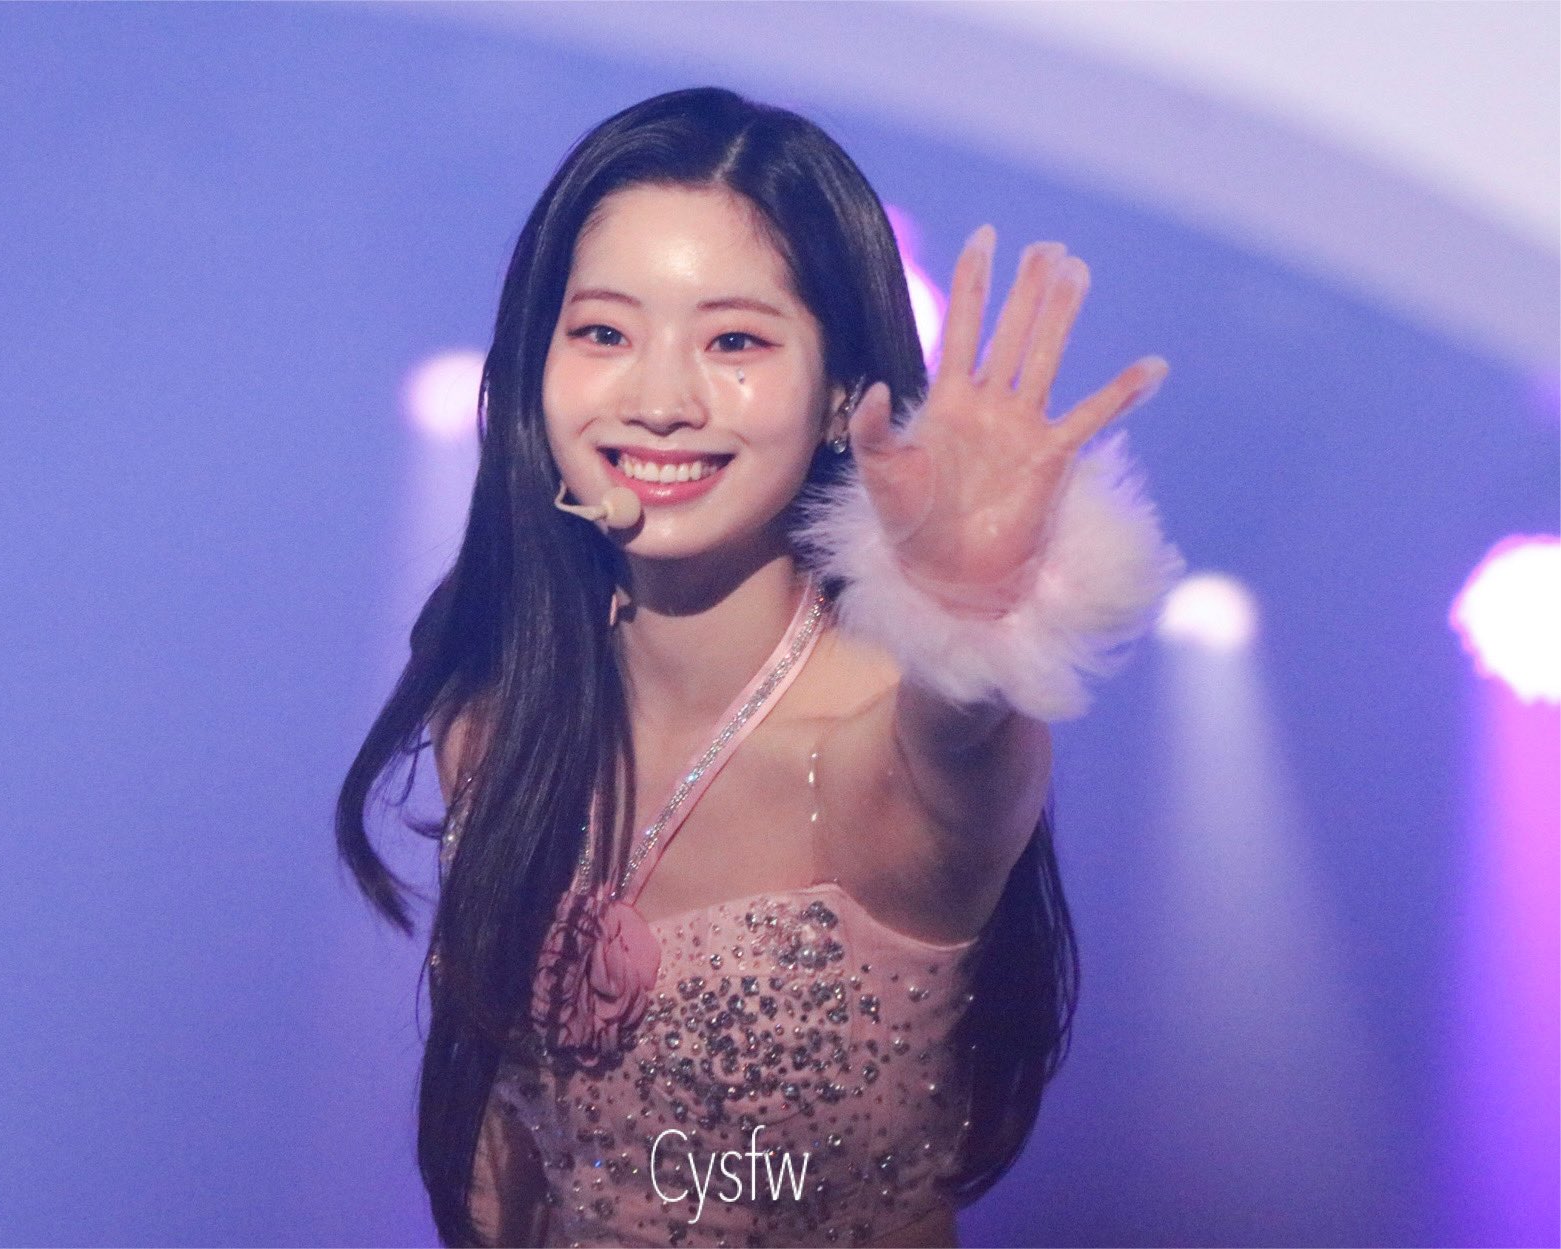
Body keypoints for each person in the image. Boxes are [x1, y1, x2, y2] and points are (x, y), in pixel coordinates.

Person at [336, 86, 1181, 1248]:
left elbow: (967, 726)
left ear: (839, 392)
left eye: (734, 341)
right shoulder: (498, 720)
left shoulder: (886, 757)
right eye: (604, 333)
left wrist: (971, 608)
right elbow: (502, 1159)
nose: (660, 401)